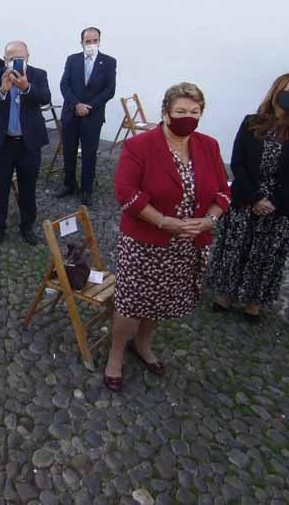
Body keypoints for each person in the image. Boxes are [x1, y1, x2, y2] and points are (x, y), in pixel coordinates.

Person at [104, 82, 230, 392]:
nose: (188, 117)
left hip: (186, 245)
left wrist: (209, 220)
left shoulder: (208, 145)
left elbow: (223, 192)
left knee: (162, 301)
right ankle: (116, 352)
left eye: (194, 111)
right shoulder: (140, 146)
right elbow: (126, 194)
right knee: (133, 302)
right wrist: (163, 222)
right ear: (165, 112)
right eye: (181, 111)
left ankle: (144, 344)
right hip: (145, 243)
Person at [206, 74, 289, 323]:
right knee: (235, 248)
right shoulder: (252, 122)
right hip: (247, 196)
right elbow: (238, 161)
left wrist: (273, 200)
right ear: (277, 90)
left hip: (280, 203)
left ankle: (253, 302)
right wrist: (255, 197)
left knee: (265, 255)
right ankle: (224, 294)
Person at [0, 41, 51, 245]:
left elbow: (45, 97)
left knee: (28, 187)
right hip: (3, 142)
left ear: (28, 57)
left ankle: (27, 225)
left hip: (28, 143)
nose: (16, 61)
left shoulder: (38, 74)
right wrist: (3, 90)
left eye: (19, 57)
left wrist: (27, 87)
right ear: (5, 59)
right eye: (11, 58)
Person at [56, 27, 118, 205]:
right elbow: (64, 85)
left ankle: (86, 189)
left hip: (93, 115)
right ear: (81, 42)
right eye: (87, 41)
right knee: (69, 151)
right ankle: (69, 184)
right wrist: (76, 104)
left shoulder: (109, 62)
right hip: (71, 113)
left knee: (89, 154)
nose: (91, 44)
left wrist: (89, 106)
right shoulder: (72, 60)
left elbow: (109, 90)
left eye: (94, 41)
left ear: (99, 41)